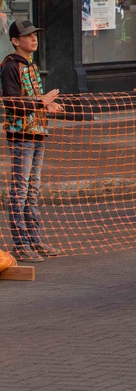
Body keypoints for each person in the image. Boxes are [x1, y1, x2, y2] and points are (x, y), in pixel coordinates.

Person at [1, 20, 64, 262]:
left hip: (37, 132)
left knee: (32, 190)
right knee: (20, 190)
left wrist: (47, 104)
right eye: (28, 36)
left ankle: (34, 240)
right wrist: (41, 102)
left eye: (35, 35)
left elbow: (34, 98)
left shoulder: (32, 65)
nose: (33, 39)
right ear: (16, 41)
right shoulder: (10, 67)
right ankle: (20, 243)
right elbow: (12, 103)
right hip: (21, 135)